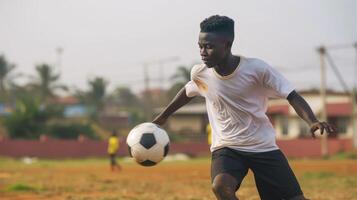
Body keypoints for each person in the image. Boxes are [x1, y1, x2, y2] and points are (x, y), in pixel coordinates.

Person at [152, 15, 335, 200]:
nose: (203, 51)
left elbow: (291, 95)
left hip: (262, 146)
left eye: (209, 46)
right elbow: (187, 91)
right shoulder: (200, 73)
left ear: (227, 45)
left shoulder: (256, 69)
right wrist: (163, 116)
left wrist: (312, 121)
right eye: (200, 45)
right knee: (221, 187)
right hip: (227, 146)